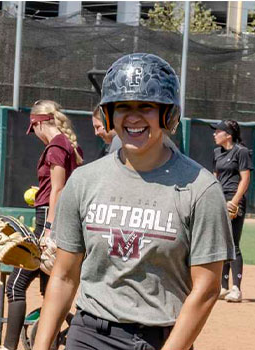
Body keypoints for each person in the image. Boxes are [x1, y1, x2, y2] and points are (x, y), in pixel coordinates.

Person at [33, 53, 234, 350]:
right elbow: (63, 276)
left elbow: (206, 289)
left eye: (146, 106)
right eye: (123, 106)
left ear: (167, 114)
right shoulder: (84, 181)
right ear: (109, 115)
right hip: (89, 334)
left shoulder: (200, 188)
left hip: (159, 339)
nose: (133, 116)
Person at [0, 100, 84, 350]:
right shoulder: (67, 145)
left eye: (33, 129)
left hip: (48, 220)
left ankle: (8, 347)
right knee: (51, 292)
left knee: (15, 285)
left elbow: (58, 188)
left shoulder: (56, 146)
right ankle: (46, 343)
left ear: (38, 123)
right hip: (58, 218)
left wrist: (47, 230)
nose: (34, 135)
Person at [211, 119, 252, 303]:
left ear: (228, 135)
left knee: (233, 243)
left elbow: (245, 179)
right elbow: (215, 177)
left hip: (234, 199)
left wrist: (234, 202)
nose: (214, 134)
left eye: (217, 131)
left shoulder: (241, 152)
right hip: (220, 200)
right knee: (221, 244)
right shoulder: (217, 152)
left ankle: (237, 288)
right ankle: (223, 287)